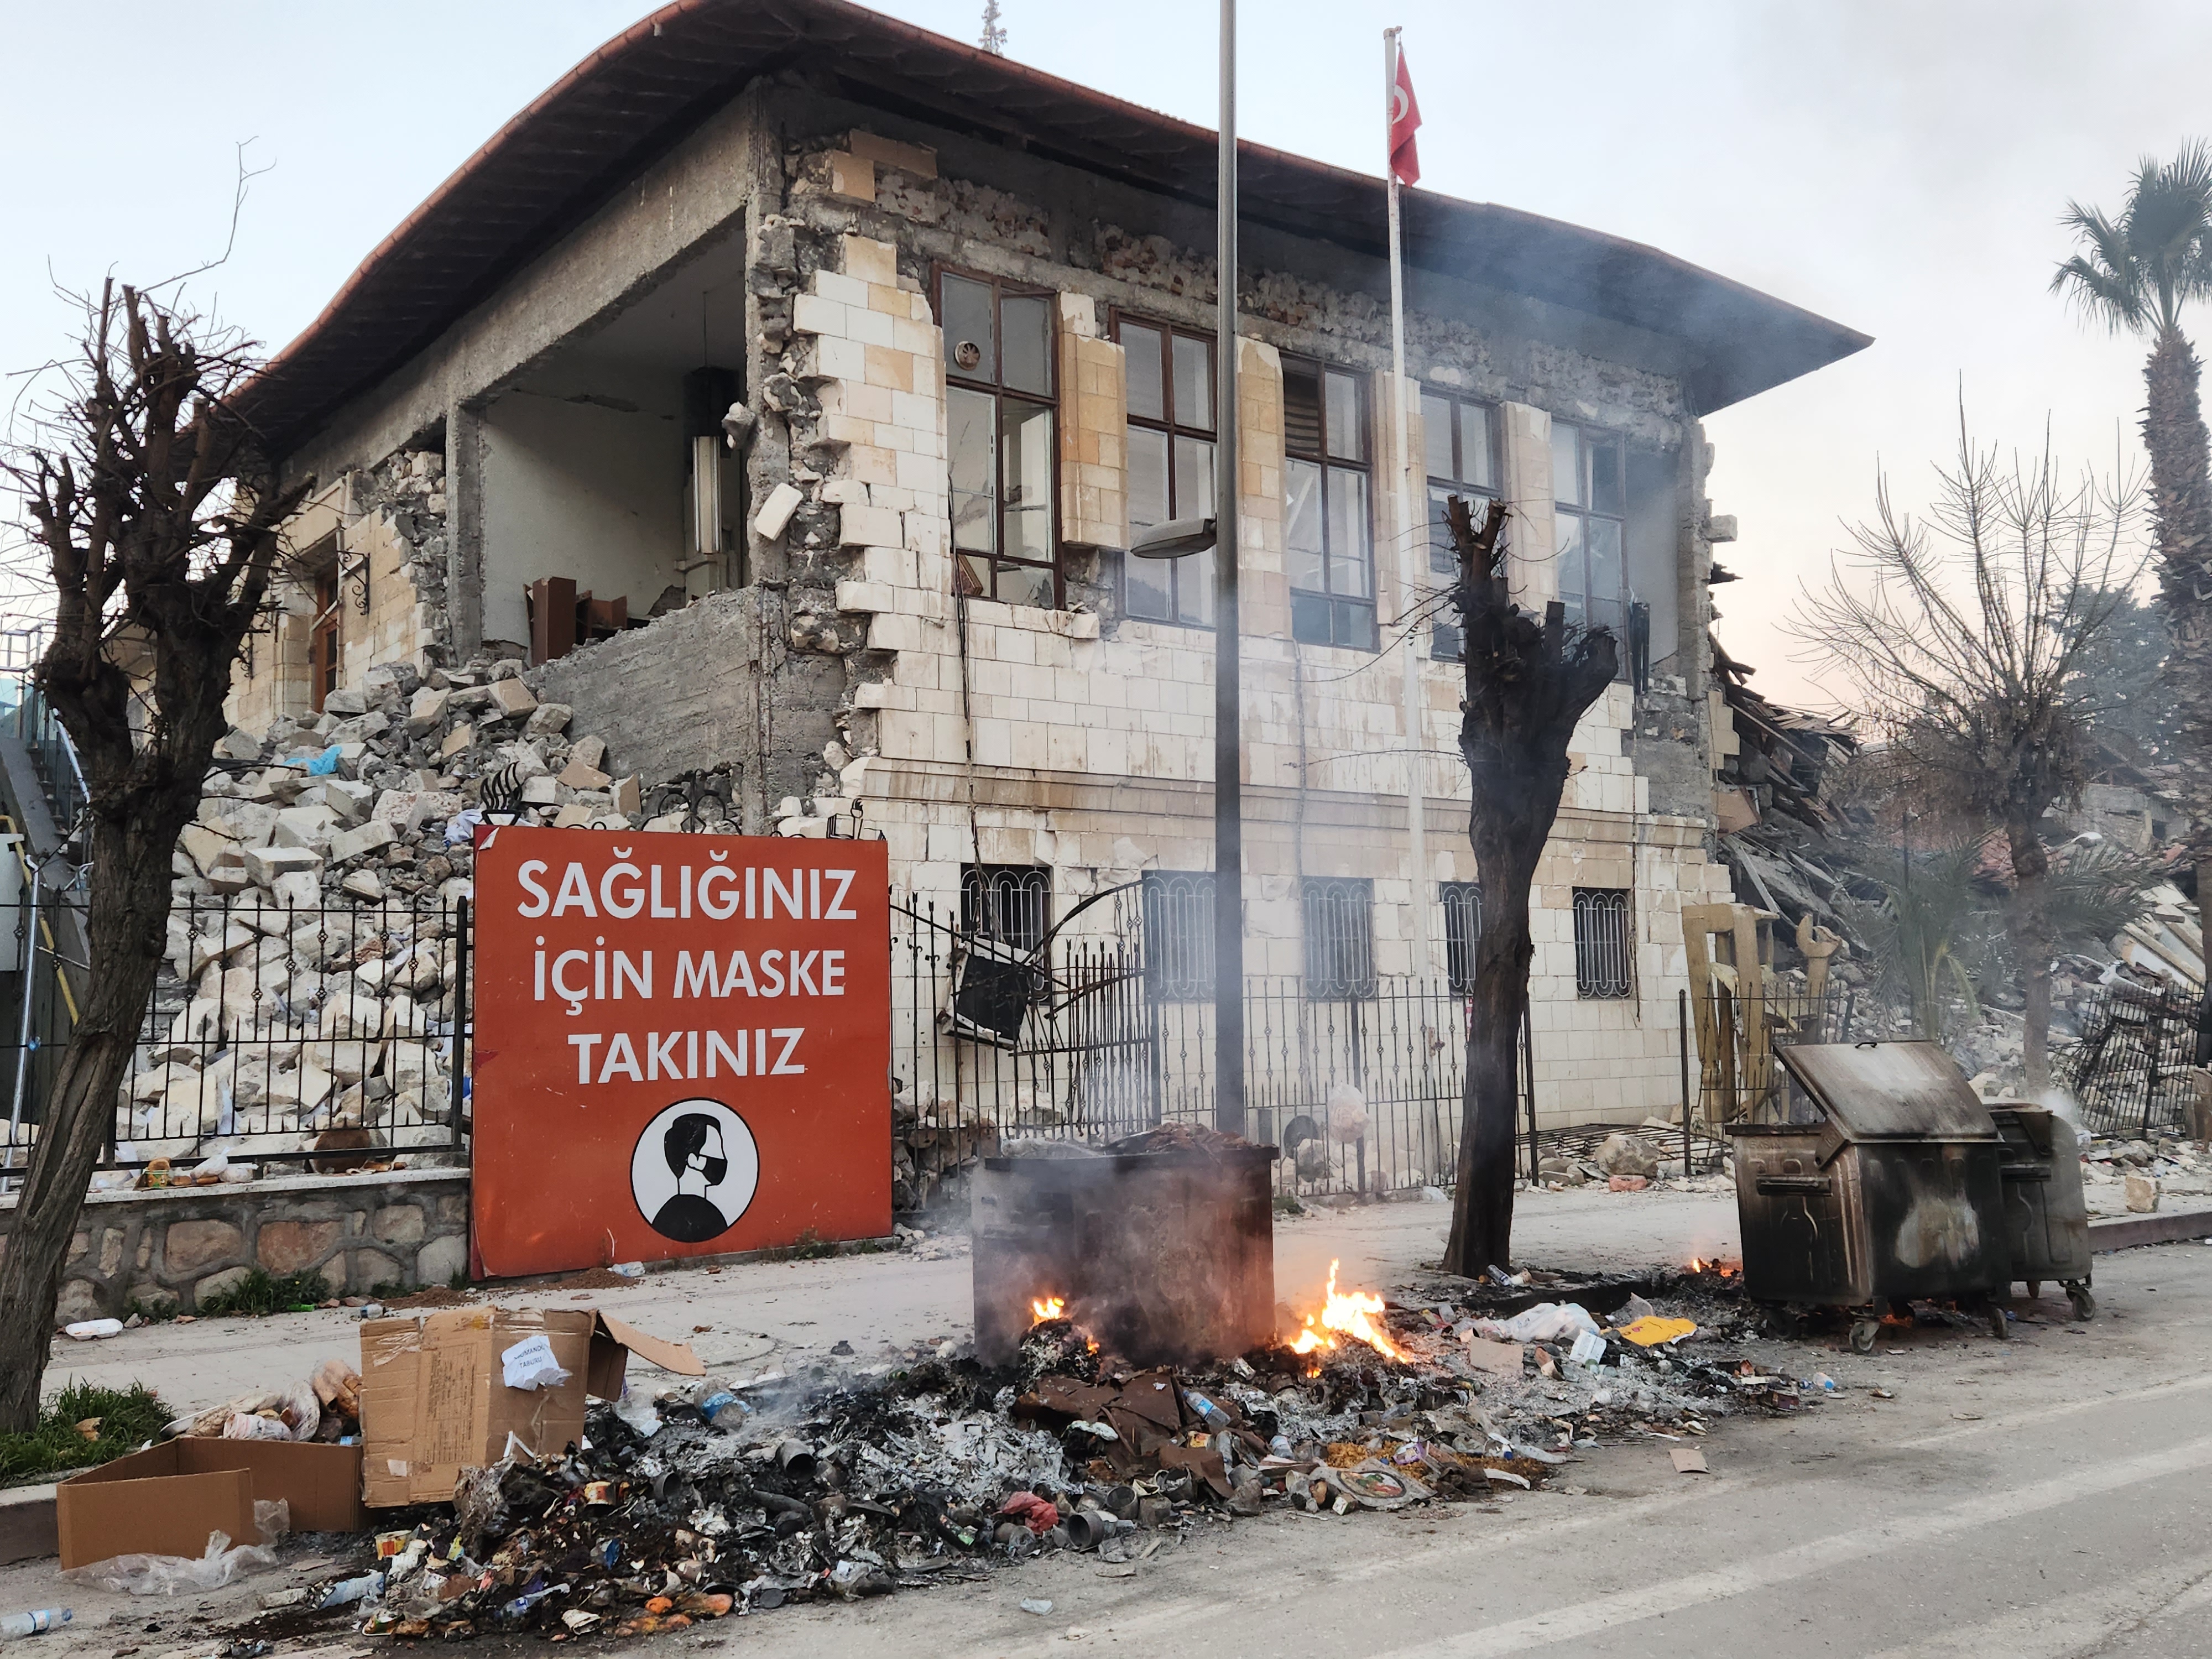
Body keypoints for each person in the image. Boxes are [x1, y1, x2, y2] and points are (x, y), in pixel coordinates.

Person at [650, 1113, 732, 1242]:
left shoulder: (669, 1213)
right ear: (694, 1160)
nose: (723, 1160)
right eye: (717, 1151)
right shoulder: (705, 1215)